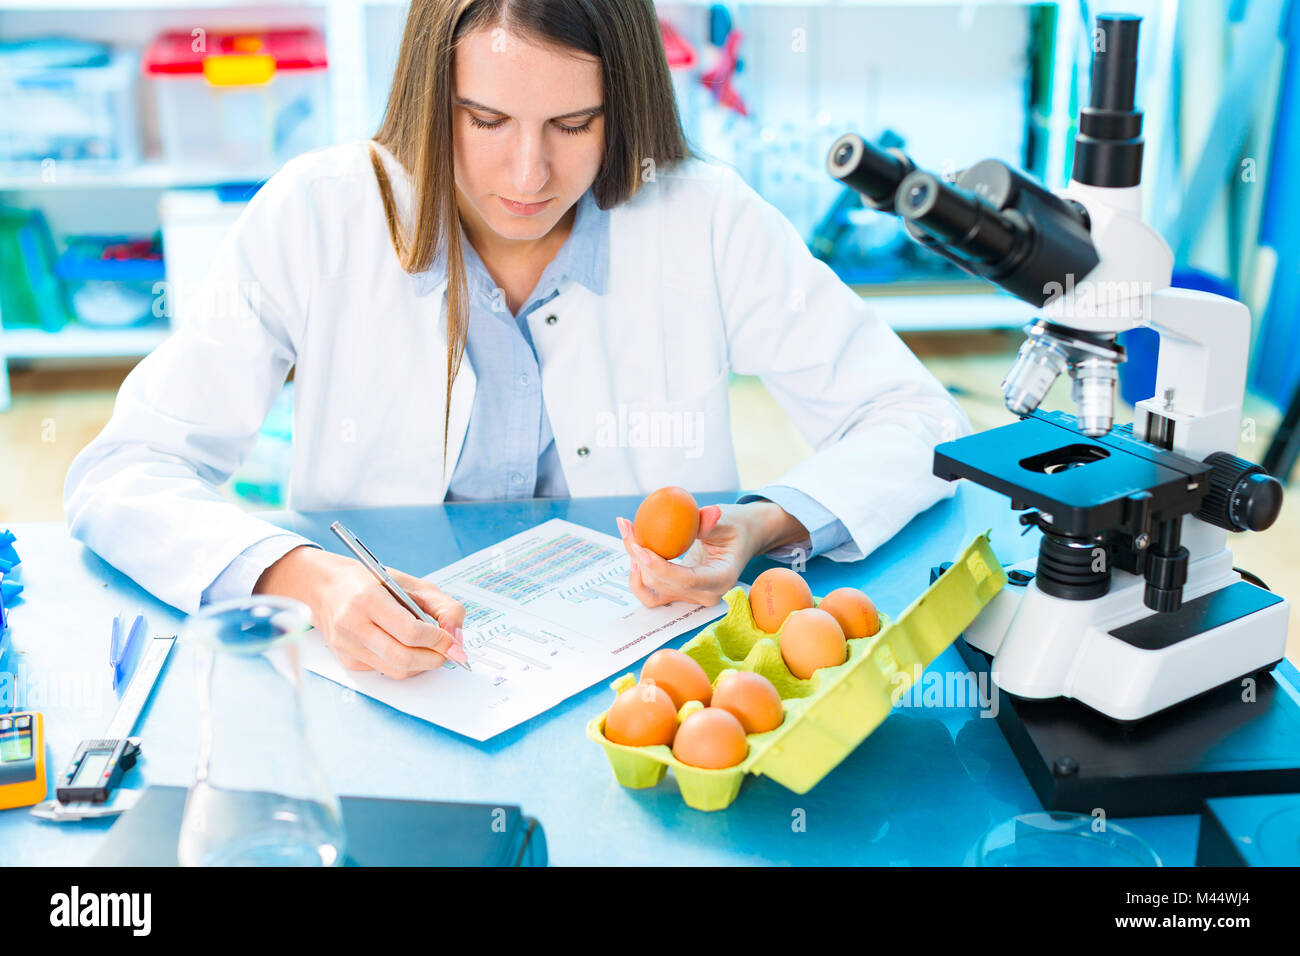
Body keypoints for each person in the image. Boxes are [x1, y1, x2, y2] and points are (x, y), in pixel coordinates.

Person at [64, 0, 971, 680]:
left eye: (574, 125)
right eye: (484, 121)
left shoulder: (702, 215)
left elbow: (915, 421)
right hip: (376, 678)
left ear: (626, 105)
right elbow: (122, 474)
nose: (529, 174)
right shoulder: (318, 215)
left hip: (636, 679)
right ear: (429, 98)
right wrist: (307, 578)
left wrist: (762, 522)